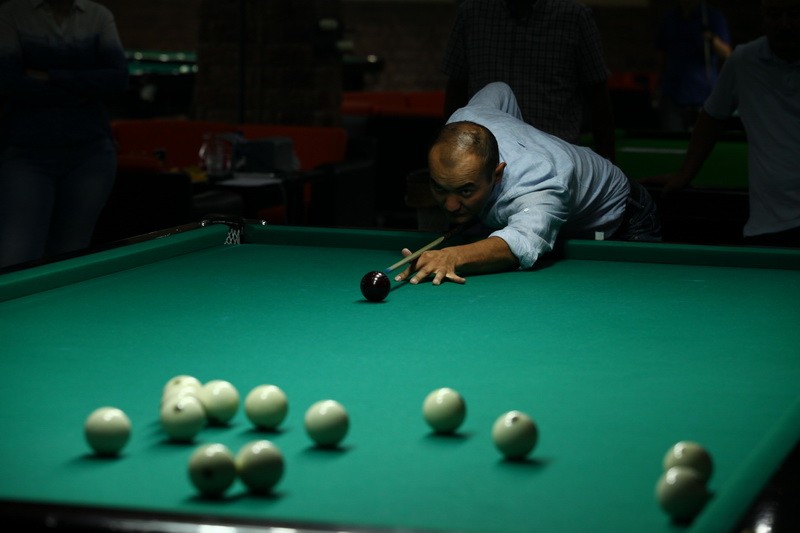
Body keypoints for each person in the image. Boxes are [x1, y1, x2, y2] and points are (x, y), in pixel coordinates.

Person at [395, 82, 661, 286]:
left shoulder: (539, 183)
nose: (451, 206)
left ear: (497, 175)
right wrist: (520, 134)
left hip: (625, 217)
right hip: (559, 210)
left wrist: (452, 256)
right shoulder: (467, 117)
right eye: (440, 188)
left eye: (466, 190)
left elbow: (522, 242)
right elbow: (500, 89)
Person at [644, 0, 800, 247]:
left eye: (793, 13)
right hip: (768, 224)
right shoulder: (744, 61)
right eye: (774, 14)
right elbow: (711, 117)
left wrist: (711, 39)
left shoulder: (713, 19)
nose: (785, 24)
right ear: (764, 17)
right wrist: (685, 174)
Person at [0, 0, 129, 269]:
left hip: (91, 152)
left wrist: (50, 76)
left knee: (70, 258)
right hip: (27, 151)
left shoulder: (98, 15)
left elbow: (117, 80)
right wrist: (85, 87)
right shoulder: (13, 12)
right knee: (16, 257)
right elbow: (9, 82)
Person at [440, 0, 615, 160]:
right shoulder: (471, 13)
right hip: (484, 158)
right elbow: (456, 90)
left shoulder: (574, 17)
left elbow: (598, 97)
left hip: (555, 157)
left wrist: (609, 163)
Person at [655, 0, 732, 133]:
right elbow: (662, 54)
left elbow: (727, 53)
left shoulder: (711, 17)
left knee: (700, 141)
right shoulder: (670, 18)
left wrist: (711, 38)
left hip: (703, 96)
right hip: (672, 95)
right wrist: (658, 85)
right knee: (672, 141)